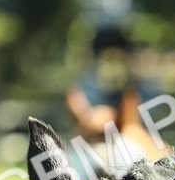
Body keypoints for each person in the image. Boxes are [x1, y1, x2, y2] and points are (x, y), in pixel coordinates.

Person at [65, 25, 167, 169]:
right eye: (109, 59)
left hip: (122, 146)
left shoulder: (129, 91)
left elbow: (130, 127)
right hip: (90, 150)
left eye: (119, 59)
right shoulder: (80, 91)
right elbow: (86, 126)